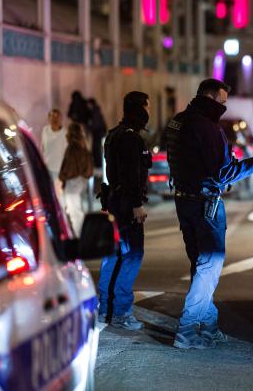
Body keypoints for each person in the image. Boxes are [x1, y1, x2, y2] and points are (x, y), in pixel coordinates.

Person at [165, 78, 253, 349]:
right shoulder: (207, 128)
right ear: (210, 99)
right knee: (209, 266)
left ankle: (209, 326)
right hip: (205, 204)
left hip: (184, 202)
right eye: (222, 103)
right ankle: (187, 331)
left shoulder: (178, 121)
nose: (223, 108)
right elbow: (222, 172)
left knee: (201, 268)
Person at [98, 91, 152, 330]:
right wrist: (137, 204)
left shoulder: (113, 135)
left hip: (114, 202)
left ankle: (105, 310)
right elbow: (131, 175)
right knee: (132, 255)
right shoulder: (131, 138)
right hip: (126, 205)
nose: (148, 112)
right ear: (139, 108)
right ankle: (120, 312)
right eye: (147, 107)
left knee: (114, 255)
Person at [59, 122, 93, 236]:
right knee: (75, 210)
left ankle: (80, 237)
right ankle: (81, 235)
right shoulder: (82, 146)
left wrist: (62, 176)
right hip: (80, 181)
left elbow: (70, 167)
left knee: (74, 212)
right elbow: (88, 167)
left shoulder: (73, 147)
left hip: (73, 182)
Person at [41, 109, 67, 202]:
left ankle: (61, 213)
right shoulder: (45, 130)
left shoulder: (65, 133)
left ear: (60, 119)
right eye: (52, 116)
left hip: (59, 169)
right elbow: (43, 147)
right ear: (49, 118)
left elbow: (67, 152)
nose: (54, 119)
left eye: (57, 116)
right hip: (47, 168)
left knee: (59, 195)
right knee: (48, 193)